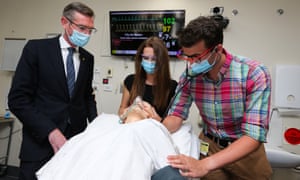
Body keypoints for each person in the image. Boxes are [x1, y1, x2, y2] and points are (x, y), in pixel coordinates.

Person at [153, 16, 272, 179]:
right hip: (209, 145)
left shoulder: (254, 73)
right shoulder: (189, 76)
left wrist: (205, 165)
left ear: (218, 49)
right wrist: (151, 130)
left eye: (197, 57)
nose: (192, 64)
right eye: (187, 56)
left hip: (245, 151)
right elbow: (176, 115)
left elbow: (253, 135)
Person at [8, 2, 97, 179]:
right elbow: (18, 100)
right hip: (39, 144)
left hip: (73, 145)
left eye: (90, 30)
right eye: (82, 28)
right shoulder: (36, 49)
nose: (86, 34)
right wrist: (51, 131)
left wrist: (95, 128)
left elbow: (86, 97)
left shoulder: (88, 58)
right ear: (65, 22)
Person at [35, 99, 200, 180]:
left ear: (152, 116)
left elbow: (170, 160)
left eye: (146, 107)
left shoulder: (151, 127)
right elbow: (78, 145)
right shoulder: (105, 121)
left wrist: (157, 123)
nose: (139, 104)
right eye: (135, 104)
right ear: (123, 114)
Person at [118, 36, 178, 121]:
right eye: (145, 58)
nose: (149, 62)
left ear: (162, 61)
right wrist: (127, 112)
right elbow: (121, 109)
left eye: (154, 59)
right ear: (140, 59)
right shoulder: (130, 81)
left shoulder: (172, 87)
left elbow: (172, 121)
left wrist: (155, 117)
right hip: (132, 126)